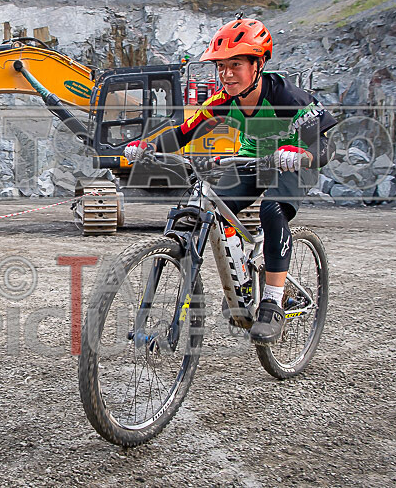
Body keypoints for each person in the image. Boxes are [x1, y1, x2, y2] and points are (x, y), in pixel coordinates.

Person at [124, 18, 337, 344]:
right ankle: (244, 282)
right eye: (221, 67)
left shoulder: (287, 97)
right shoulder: (222, 100)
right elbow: (183, 134)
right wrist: (149, 147)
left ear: (258, 64)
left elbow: (325, 146)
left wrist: (301, 156)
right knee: (213, 202)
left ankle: (272, 302)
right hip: (255, 157)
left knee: (272, 209)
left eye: (235, 65)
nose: (225, 74)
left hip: (294, 159)